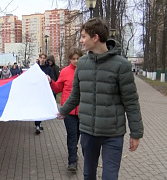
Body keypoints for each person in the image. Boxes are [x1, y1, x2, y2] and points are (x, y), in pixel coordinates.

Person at [58, 18, 144, 179]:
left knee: (110, 176)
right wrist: (61, 111)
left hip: (113, 134)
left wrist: (136, 133)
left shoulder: (121, 65)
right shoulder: (82, 64)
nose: (81, 41)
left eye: (83, 37)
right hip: (88, 132)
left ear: (95, 37)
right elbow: (75, 95)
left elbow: (131, 101)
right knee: (89, 174)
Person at [48, 48, 83, 172]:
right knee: (72, 135)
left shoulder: (85, 71)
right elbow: (58, 88)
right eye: (73, 59)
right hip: (68, 111)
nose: (76, 61)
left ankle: (74, 152)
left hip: (83, 111)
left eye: (78, 58)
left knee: (79, 134)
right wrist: (51, 81)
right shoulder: (64, 71)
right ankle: (72, 161)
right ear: (70, 59)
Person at [34, 53, 55, 134]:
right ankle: (37, 124)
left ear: (46, 59)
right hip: (37, 90)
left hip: (45, 91)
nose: (42, 59)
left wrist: (49, 79)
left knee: (42, 107)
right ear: (39, 58)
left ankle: (39, 122)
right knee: (37, 107)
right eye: (41, 58)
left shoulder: (48, 68)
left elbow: (52, 79)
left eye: (44, 58)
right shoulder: (36, 68)